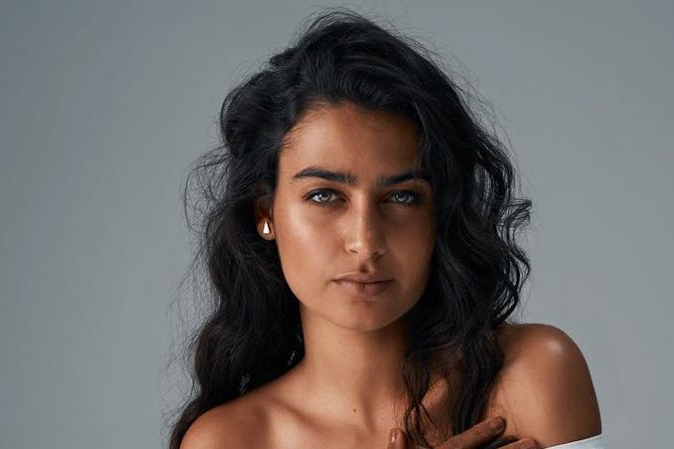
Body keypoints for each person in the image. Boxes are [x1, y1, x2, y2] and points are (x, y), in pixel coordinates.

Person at [170, 9, 602, 449]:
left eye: (402, 197)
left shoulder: (533, 374)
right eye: (324, 195)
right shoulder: (229, 441)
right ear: (266, 212)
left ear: (440, 213)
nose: (365, 241)